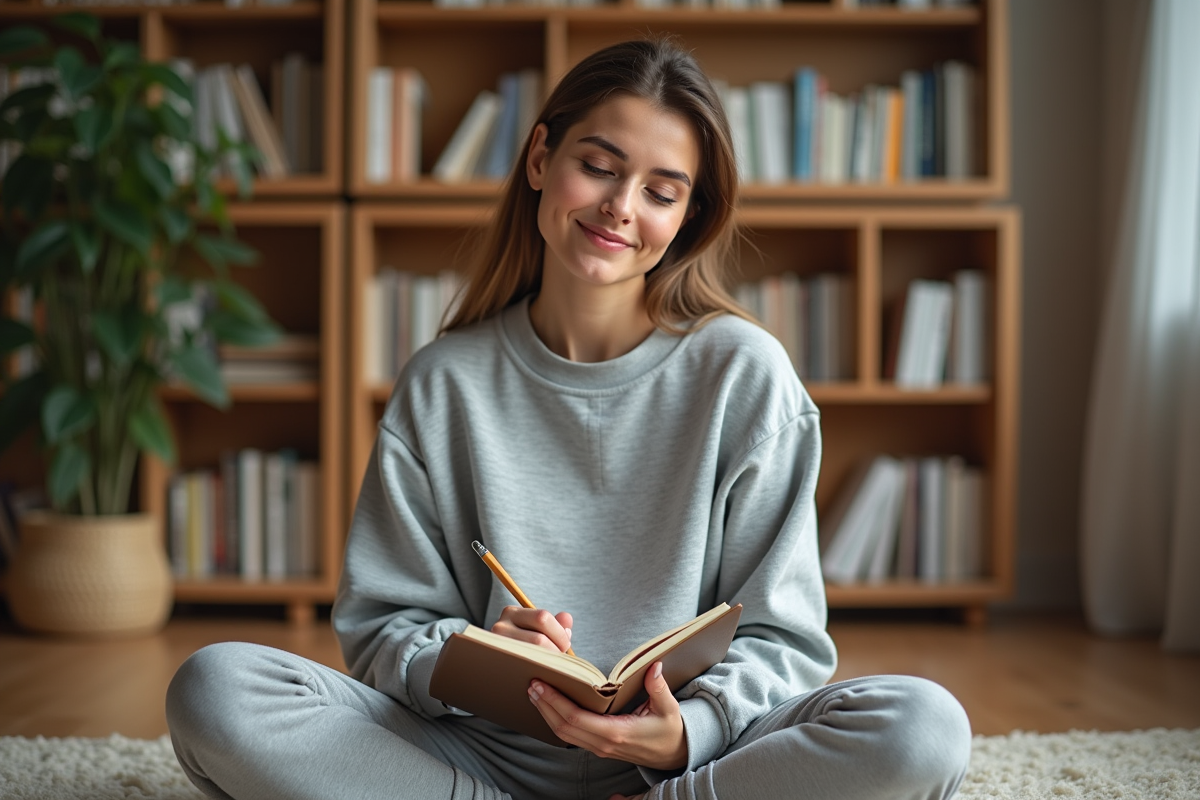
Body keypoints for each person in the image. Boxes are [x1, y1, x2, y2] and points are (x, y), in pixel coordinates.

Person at [166, 38, 973, 800]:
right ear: (541, 158)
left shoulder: (745, 374)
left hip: (693, 762)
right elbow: (383, 626)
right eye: (599, 167)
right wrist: (466, 656)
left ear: (688, 218)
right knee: (218, 689)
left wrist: (690, 730)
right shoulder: (443, 382)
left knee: (923, 728)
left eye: (661, 191)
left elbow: (783, 636)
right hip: (476, 753)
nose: (622, 207)